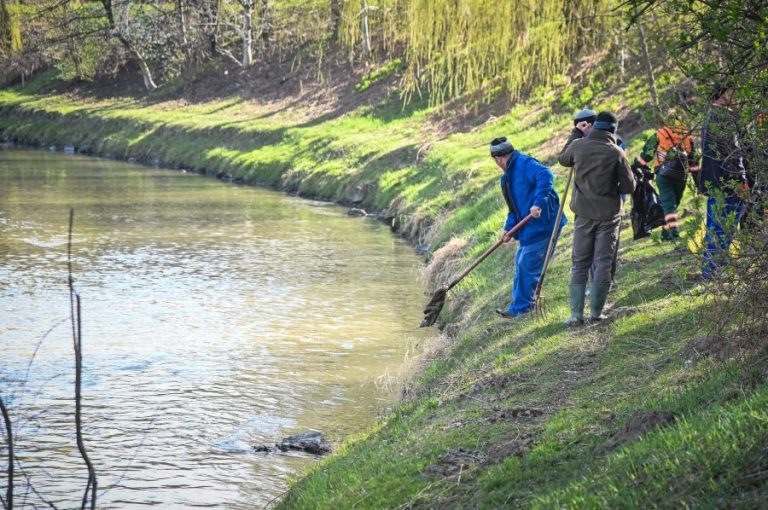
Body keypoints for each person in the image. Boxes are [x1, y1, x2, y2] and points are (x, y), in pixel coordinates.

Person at [558, 112, 636, 325]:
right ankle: (595, 313)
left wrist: (576, 133)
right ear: (613, 130)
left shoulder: (578, 146)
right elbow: (629, 187)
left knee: (580, 262)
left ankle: (576, 315)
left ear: (595, 127)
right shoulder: (617, 152)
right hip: (609, 216)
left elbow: (563, 159)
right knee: (603, 262)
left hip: (583, 215)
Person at [491, 137, 567, 319]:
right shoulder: (506, 179)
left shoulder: (525, 164)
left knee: (527, 264)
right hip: (527, 228)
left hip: (544, 224)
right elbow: (514, 209)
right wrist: (508, 230)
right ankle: (517, 307)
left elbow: (546, 175)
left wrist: (538, 203)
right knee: (520, 263)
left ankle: (523, 308)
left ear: (499, 159)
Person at [697, 88, 748, 278]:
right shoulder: (724, 117)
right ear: (723, 93)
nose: (735, 95)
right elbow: (734, 152)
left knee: (715, 226)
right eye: (732, 91)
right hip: (728, 181)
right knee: (723, 227)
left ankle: (711, 269)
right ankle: (713, 271)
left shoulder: (710, 116)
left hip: (713, 181)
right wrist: (742, 179)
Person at [637, 115, 700, 240]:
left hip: (663, 174)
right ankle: (670, 233)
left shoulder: (659, 134)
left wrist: (636, 166)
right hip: (680, 176)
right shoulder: (688, 136)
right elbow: (694, 161)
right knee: (672, 204)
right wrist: (698, 182)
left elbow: (647, 155)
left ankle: (670, 233)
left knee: (669, 205)